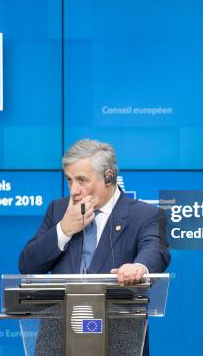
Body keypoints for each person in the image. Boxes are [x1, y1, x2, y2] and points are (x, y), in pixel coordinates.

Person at [19, 139, 171, 355]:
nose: (73, 190)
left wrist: (139, 267)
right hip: (59, 339)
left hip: (119, 340)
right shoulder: (59, 210)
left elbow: (155, 250)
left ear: (108, 176)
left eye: (82, 180)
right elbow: (27, 265)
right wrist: (64, 229)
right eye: (69, 180)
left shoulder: (144, 215)